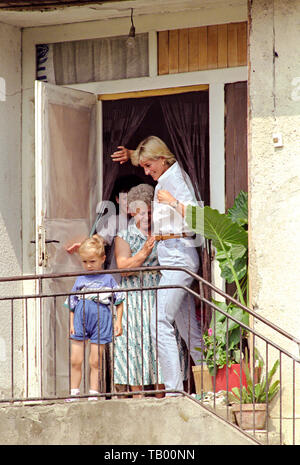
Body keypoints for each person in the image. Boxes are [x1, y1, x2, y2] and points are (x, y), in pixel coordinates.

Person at [111, 136, 202, 395]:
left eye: (149, 165)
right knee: (188, 329)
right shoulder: (166, 176)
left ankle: (173, 390)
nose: (147, 172)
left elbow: (197, 218)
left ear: (163, 158)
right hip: (173, 258)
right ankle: (210, 384)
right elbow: (148, 154)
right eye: (143, 167)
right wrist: (132, 154)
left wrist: (172, 202)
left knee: (158, 322)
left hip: (178, 257)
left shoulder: (175, 179)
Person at [113, 183, 164, 398]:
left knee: (159, 342)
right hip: (134, 297)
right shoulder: (124, 236)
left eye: (151, 212)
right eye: (142, 212)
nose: (147, 217)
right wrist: (144, 252)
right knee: (136, 344)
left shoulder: (164, 231)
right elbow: (123, 268)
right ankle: (138, 397)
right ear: (133, 212)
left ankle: (165, 393)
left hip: (159, 292)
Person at [64, 235, 124, 400]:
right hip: (80, 319)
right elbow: (71, 303)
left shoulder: (108, 279)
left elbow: (119, 300)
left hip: (101, 318)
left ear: (102, 259)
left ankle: (93, 392)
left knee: (95, 361)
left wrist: (118, 321)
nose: (88, 266)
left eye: (92, 261)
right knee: (75, 359)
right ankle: (74, 392)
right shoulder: (80, 280)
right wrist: (71, 324)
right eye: (84, 262)